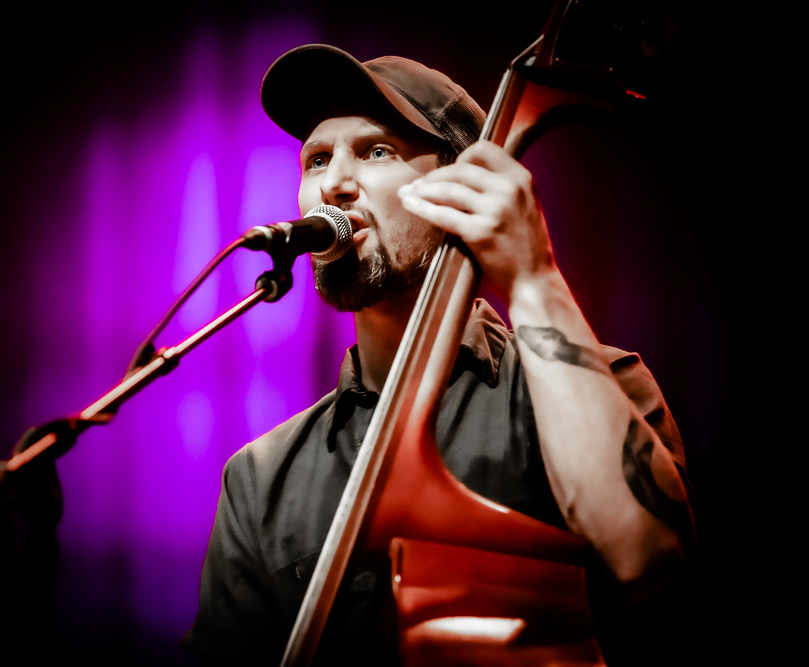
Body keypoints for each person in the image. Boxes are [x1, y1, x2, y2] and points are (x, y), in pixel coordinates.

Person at [180, 44, 694, 666]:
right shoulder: (260, 477)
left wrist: (532, 278)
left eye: (376, 152)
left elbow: (645, 556)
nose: (334, 184)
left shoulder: (602, 385)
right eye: (317, 159)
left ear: (458, 186)